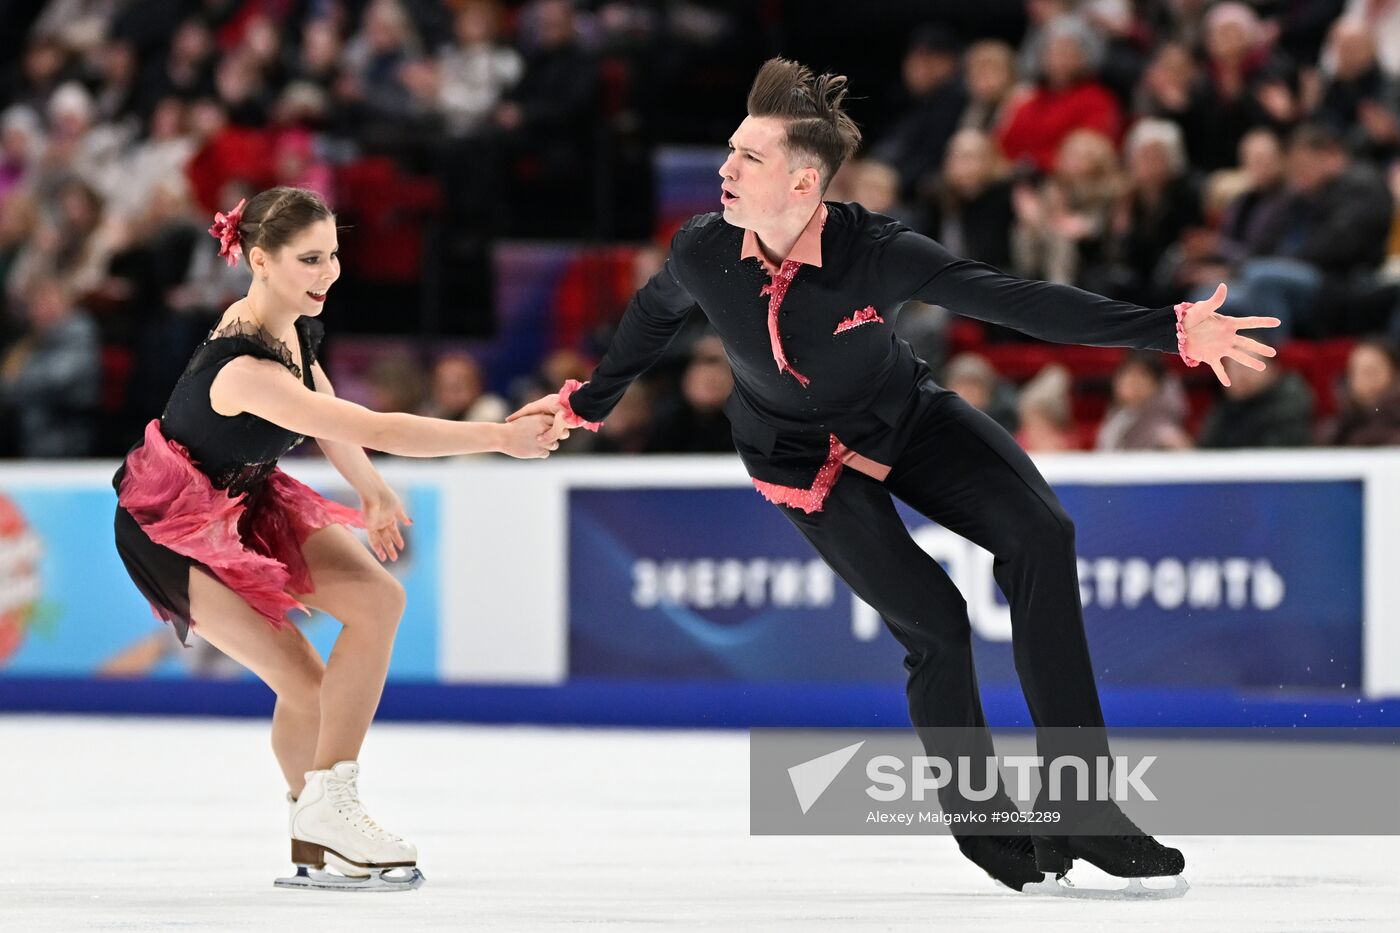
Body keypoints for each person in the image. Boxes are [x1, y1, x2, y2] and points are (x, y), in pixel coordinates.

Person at [510, 58, 1279, 896]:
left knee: (1042, 535)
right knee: (938, 625)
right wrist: (589, 401)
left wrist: (1167, 331)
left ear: (804, 181)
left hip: (905, 417)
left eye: (747, 158)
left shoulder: (875, 251)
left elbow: (1012, 299)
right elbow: (653, 314)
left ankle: (1084, 803)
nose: (724, 169)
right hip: (797, 458)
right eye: (730, 151)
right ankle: (983, 821)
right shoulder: (702, 249)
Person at [111, 186, 556, 891]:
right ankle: (326, 810)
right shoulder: (245, 368)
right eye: (310, 259)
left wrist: (373, 488)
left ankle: (319, 824)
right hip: (172, 528)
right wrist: (499, 436)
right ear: (260, 260)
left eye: (335, 256)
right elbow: (370, 425)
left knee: (378, 601)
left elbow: (329, 415)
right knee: (305, 684)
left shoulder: (289, 325)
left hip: (245, 496)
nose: (329, 273)